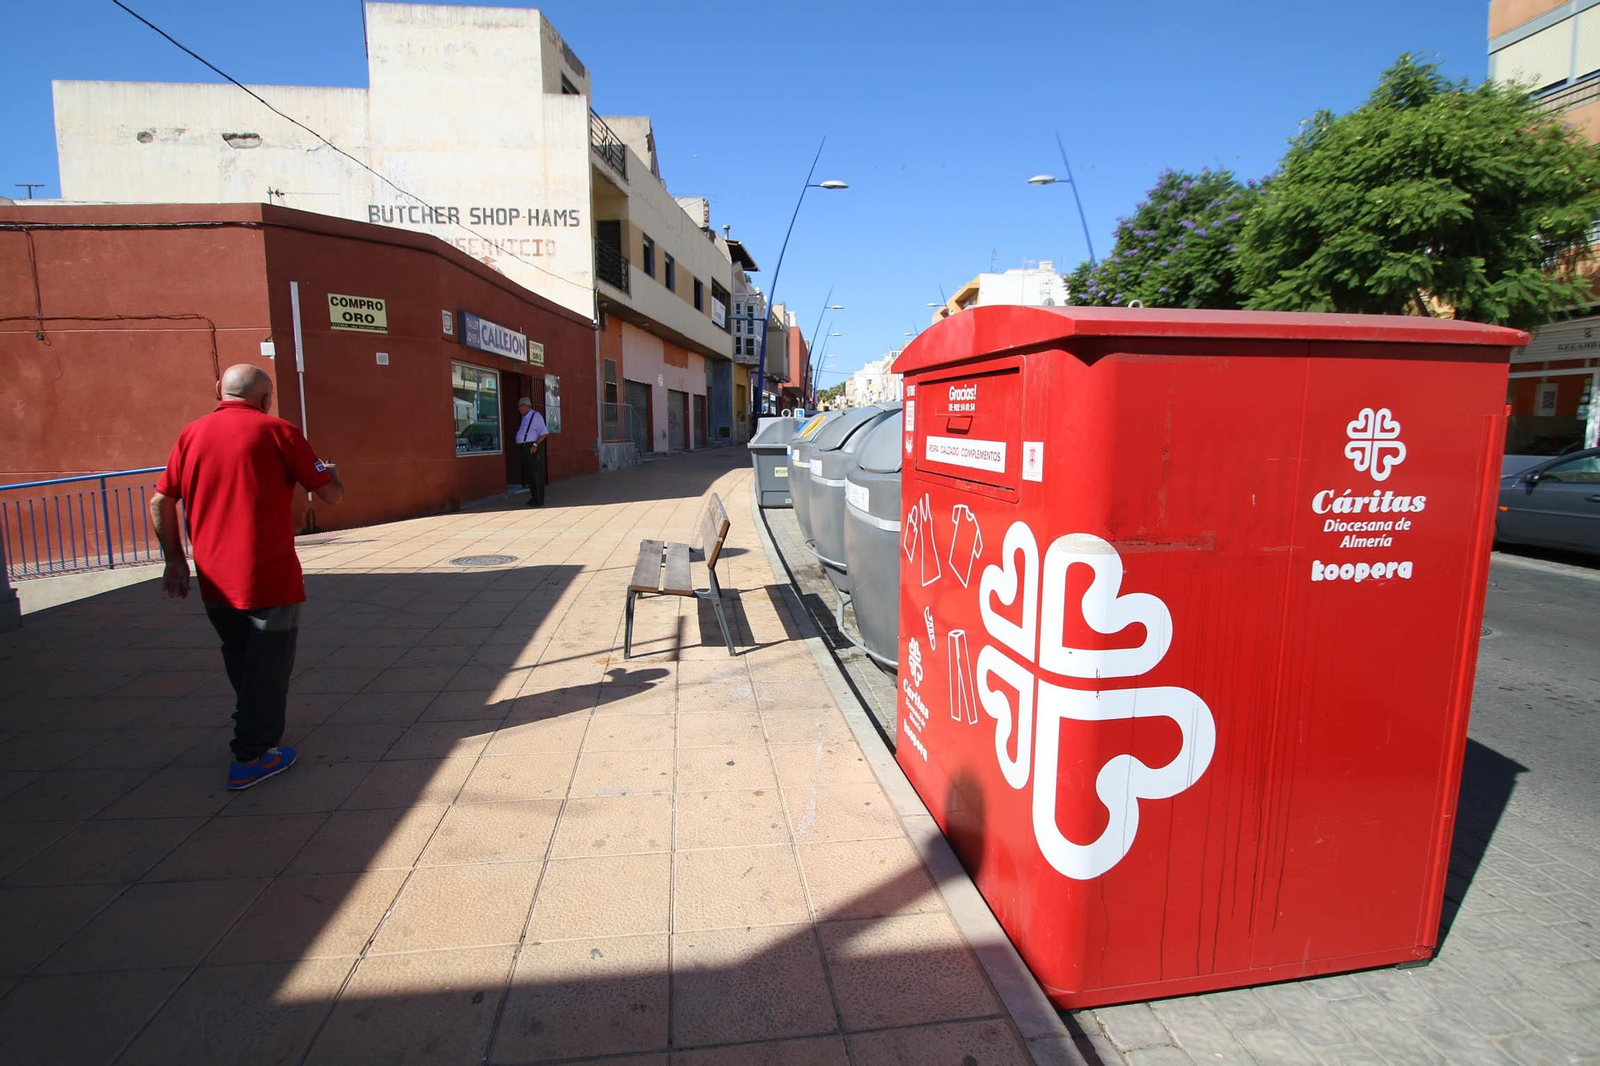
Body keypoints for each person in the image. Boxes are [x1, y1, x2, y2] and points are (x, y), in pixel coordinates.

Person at [149, 364, 344, 790]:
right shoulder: (279, 432)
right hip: (267, 575)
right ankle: (251, 755)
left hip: (213, 578)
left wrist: (174, 561)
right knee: (269, 665)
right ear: (265, 398)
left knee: (240, 656)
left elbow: (160, 501)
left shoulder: (192, 434)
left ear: (221, 391)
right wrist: (330, 471)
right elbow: (330, 494)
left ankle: (252, 725)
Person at [513, 396, 550, 507]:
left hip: (533, 447)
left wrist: (535, 444)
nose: (519, 409)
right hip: (525, 447)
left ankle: (539, 500)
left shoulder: (536, 416)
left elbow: (544, 433)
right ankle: (534, 498)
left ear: (526, 406)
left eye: (520, 407)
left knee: (536, 474)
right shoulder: (525, 418)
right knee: (529, 474)